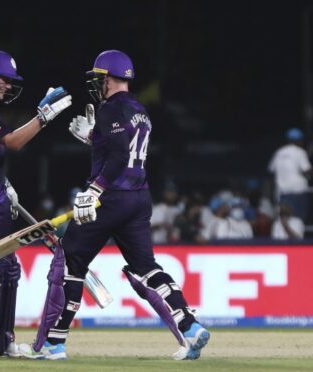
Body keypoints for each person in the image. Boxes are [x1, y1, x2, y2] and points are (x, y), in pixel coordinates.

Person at [20, 50, 210, 360]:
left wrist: (95, 190)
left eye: (99, 79)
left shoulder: (110, 108)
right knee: (147, 268)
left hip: (111, 199)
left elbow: (120, 155)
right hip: (139, 197)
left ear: (108, 79)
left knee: (70, 262)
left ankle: (53, 343)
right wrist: (96, 139)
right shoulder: (141, 110)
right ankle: (189, 325)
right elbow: (123, 150)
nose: (96, 85)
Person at [0, 50, 71, 359]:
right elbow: (13, 142)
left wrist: (4, 184)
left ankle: (3, 338)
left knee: (8, 270)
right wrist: (43, 118)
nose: (7, 85)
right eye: (4, 80)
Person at [268, 128, 312, 222]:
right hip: (297, 193)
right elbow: (307, 170)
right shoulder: (300, 152)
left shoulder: (279, 152)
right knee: (298, 221)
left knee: (284, 221)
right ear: (299, 140)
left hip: (282, 194)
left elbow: (271, 170)